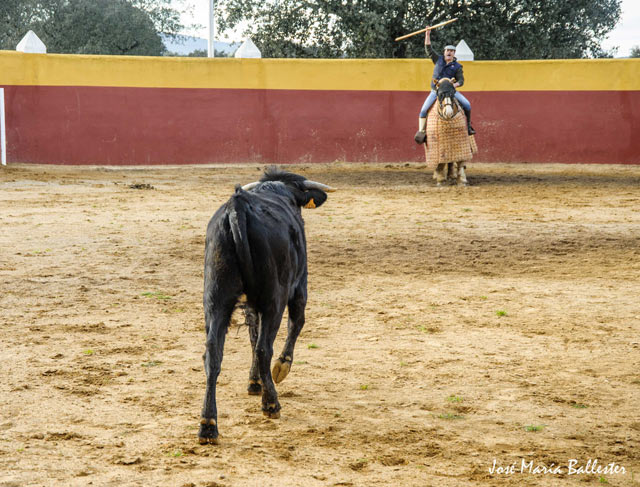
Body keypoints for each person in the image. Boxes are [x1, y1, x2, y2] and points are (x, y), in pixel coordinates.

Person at [415, 28, 475, 145]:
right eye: (447, 50)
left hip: (450, 92)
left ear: (454, 53)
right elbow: (428, 49)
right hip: (436, 91)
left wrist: (455, 84)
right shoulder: (438, 60)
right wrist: (427, 34)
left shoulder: (457, 66)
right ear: (444, 52)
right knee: (423, 110)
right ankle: (422, 132)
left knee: (467, 104)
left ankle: (468, 127)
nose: (449, 52)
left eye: (451, 51)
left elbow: (461, 81)